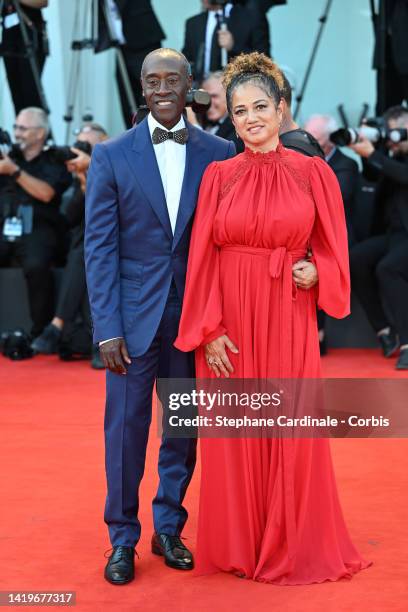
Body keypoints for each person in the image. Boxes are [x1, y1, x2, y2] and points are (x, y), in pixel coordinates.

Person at [175, 53, 370, 584]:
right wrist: (208, 329)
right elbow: (202, 257)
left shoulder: (314, 174)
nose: (251, 118)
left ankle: (291, 542)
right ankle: (243, 544)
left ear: (282, 109)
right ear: (231, 120)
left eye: (261, 106)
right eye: (240, 111)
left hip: (286, 312)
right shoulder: (218, 175)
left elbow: (336, 252)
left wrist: (317, 271)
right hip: (230, 319)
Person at [85, 48, 235, 585]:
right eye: (153, 80)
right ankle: (121, 537)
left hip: (192, 317)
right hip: (130, 320)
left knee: (182, 429)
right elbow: (99, 250)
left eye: (173, 78)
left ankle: (168, 525)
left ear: (190, 83)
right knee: (125, 431)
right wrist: (107, 328)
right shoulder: (111, 155)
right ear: (142, 88)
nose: (163, 87)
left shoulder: (220, 152)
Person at [31, 123, 108, 369]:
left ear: (104, 142)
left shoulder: (114, 162)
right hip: (92, 248)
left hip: (120, 239)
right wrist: (84, 183)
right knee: (84, 248)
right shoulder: (82, 174)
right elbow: (69, 217)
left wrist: (95, 170)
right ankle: (99, 343)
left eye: (88, 146)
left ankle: (58, 323)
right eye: (79, 146)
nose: (82, 152)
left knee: (85, 248)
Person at [0, 107, 72, 340]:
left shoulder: (55, 159)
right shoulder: (8, 156)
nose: (17, 133)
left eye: (23, 128)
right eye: (15, 127)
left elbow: (46, 193)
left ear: (40, 133)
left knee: (36, 265)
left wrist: (14, 171)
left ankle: (40, 331)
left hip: (40, 227)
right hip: (6, 224)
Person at [348, 105, 408, 369]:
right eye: (391, 133)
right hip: (393, 234)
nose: (396, 138)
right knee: (355, 259)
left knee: (388, 269)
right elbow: (373, 177)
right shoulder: (389, 153)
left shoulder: (393, 159)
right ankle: (385, 331)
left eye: (401, 133)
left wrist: (377, 156)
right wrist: (369, 152)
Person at [304, 114, 360, 354]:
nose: (308, 144)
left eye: (314, 139)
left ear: (329, 141)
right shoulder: (300, 159)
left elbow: (338, 199)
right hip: (307, 231)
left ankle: (319, 334)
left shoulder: (346, 164)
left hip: (336, 235)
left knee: (317, 259)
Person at [95, 0, 165, 128]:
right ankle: (133, 132)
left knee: (150, 92)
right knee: (126, 96)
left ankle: (155, 131)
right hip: (122, 46)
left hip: (143, 40)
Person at [182, 1, 270, 83]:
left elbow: (264, 60)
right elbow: (187, 58)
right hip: (201, 90)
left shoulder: (251, 18)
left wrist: (233, 47)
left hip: (237, 87)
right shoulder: (193, 23)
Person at [0, 0, 49, 114]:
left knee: (31, 95)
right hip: (10, 41)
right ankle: (22, 127)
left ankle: (37, 128)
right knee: (17, 97)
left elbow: (42, 2)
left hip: (30, 38)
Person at [201, 71, 243, 152]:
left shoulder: (238, 127)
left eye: (214, 96)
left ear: (229, 97)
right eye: (205, 96)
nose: (208, 102)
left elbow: (216, 155)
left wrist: (195, 126)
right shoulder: (200, 118)